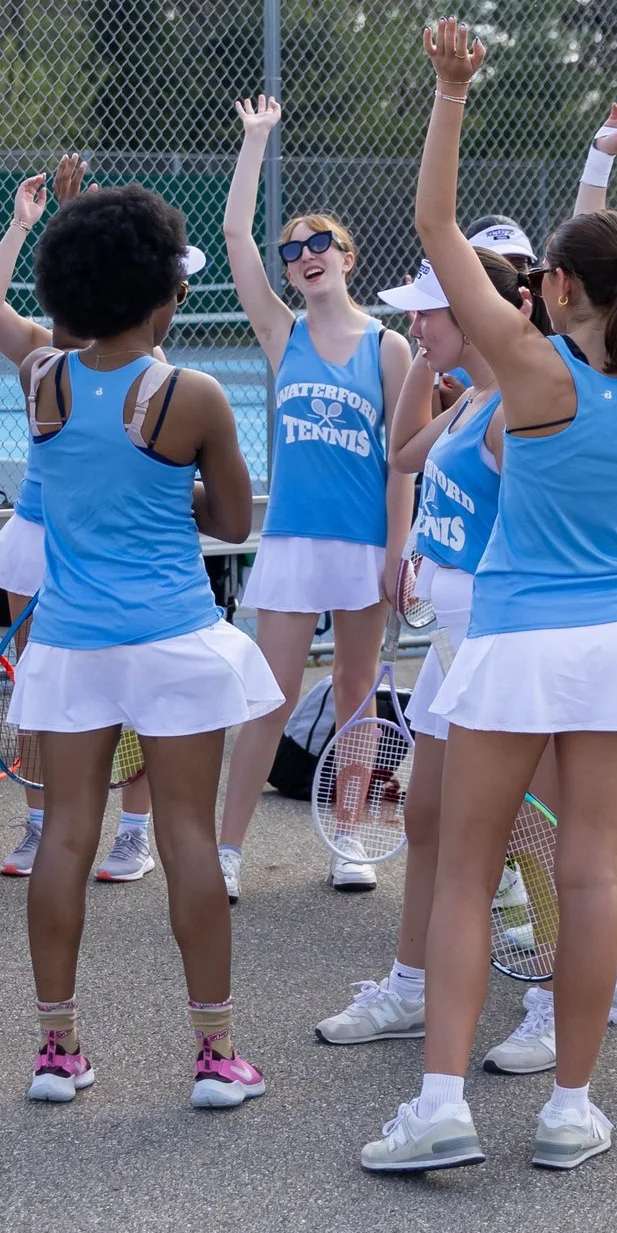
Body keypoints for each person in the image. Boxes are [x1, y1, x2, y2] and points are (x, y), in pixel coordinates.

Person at [361, 19, 617, 1176]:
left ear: (557, 285)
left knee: (466, 870)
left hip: (512, 647)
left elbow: (435, 227)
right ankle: (568, 1106)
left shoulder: (530, 373)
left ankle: (443, 1104)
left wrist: (451, 91)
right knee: (596, 872)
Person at [7, 177, 277, 1106]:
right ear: (164, 297)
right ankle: (214, 1057)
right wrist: (174, 488)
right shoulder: (190, 393)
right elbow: (232, 517)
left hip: (73, 643)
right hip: (172, 637)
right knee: (188, 835)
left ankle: (57, 1051)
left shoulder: (41, 378)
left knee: (66, 836)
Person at [313, 244, 533, 1058]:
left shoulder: (515, 407)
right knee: (428, 817)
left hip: (497, 646)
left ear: (475, 313)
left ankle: (586, 987)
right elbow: (400, 453)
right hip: (453, 643)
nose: (413, 323)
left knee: (543, 829)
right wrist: (419, 358)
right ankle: (408, 988)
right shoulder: (474, 398)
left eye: (428, 312)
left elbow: (538, 536)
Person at [217, 96, 414, 898]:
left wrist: (399, 552)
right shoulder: (280, 332)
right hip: (296, 538)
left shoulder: (391, 347)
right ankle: (227, 851)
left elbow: (404, 463)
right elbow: (235, 235)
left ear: (349, 257)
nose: (305, 254)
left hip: (366, 540)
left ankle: (351, 836)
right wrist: (255, 142)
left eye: (320, 242)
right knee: (270, 690)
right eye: (294, 247)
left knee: (357, 693)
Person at [0, 154, 159, 884]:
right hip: (37, 539)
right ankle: (41, 823)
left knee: (130, 689)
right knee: (40, 685)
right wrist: (27, 224)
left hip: (110, 549)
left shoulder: (148, 362)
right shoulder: (41, 357)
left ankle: (134, 832)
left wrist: (73, 216)